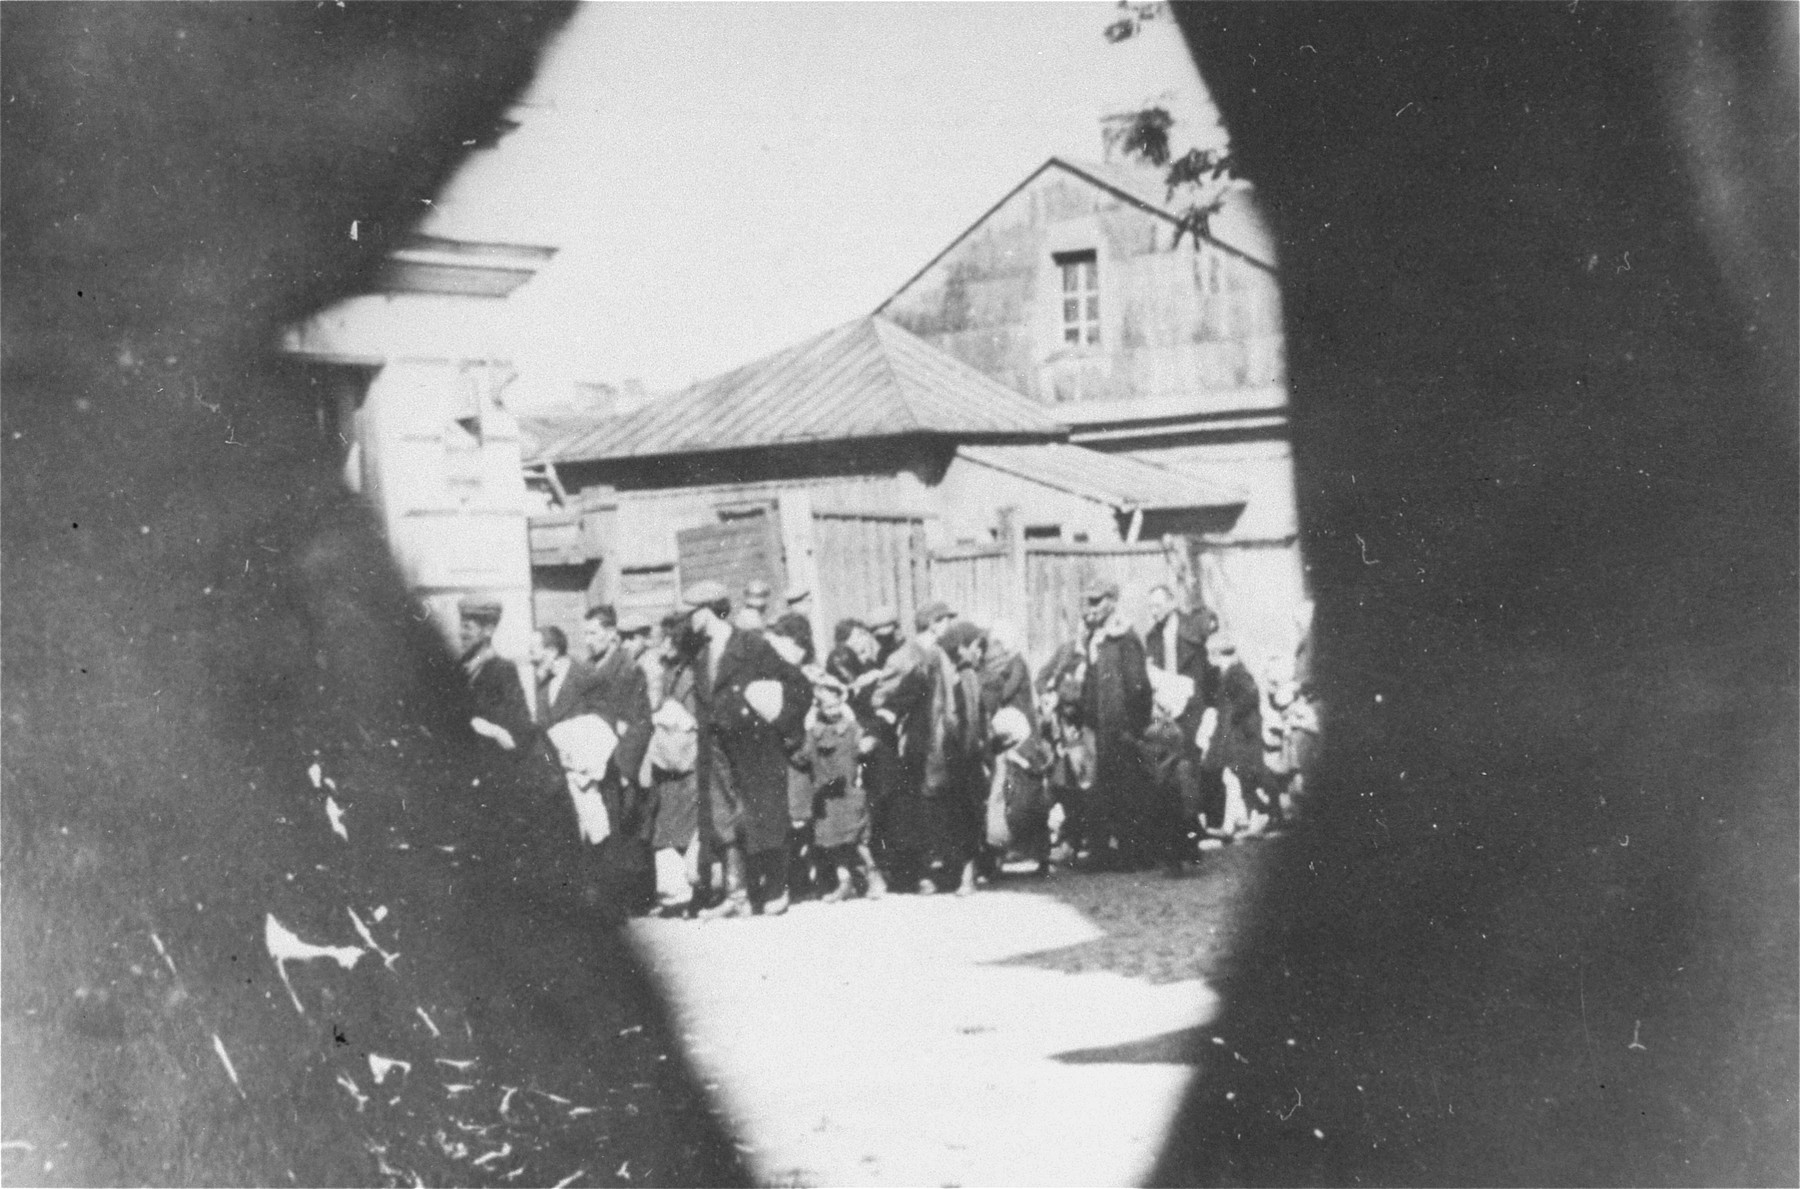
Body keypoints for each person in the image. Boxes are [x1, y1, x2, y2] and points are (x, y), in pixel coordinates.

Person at [683, 579, 812, 919]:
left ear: (708, 611)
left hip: (755, 744)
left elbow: (797, 685)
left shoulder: (751, 646)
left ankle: (776, 888)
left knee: (765, 816)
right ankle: (736, 893)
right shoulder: (700, 652)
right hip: (717, 746)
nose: (688, 620)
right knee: (723, 818)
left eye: (692, 612)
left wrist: (781, 721)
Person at [869, 600, 958, 891]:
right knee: (919, 808)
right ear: (933, 623)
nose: (948, 626)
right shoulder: (903, 657)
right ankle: (924, 873)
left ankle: (943, 867)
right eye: (945, 620)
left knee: (941, 804)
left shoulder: (941, 653)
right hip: (915, 745)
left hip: (942, 739)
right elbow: (880, 700)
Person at [1077, 581, 1161, 871]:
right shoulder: (1094, 638)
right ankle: (1101, 853)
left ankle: (1133, 853)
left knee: (1129, 791)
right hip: (1098, 728)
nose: (1091, 608)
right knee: (1100, 791)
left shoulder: (1125, 638)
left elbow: (1139, 687)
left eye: (1097, 601)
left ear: (1112, 602)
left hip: (1122, 729)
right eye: (1088, 602)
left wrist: (1134, 727)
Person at [581, 604, 656, 913]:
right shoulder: (590, 668)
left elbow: (641, 722)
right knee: (604, 830)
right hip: (595, 760)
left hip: (620, 762)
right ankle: (610, 898)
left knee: (626, 831)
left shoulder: (628, 669)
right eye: (585, 634)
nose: (587, 640)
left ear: (611, 634)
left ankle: (634, 900)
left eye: (594, 633)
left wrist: (627, 768)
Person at [1142, 585, 1214, 861]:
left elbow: (1206, 670)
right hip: (1167, 711)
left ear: (1171, 603)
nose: (1154, 610)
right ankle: (1177, 838)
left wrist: (1207, 708)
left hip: (1191, 709)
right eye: (1151, 606)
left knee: (1189, 770)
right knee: (1169, 774)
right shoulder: (1153, 637)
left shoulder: (1191, 629)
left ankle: (1190, 834)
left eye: (1158, 604)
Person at [800, 673, 886, 902]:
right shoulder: (814, 731)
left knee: (856, 839)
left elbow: (865, 745)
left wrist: (869, 744)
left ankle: (873, 875)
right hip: (827, 795)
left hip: (847, 792)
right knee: (833, 843)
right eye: (827, 706)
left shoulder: (851, 727)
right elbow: (804, 755)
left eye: (836, 704)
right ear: (819, 707)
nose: (832, 710)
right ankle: (844, 882)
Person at [1197, 634, 1272, 839]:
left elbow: (1248, 696)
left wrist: (1233, 714)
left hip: (1242, 737)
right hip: (1239, 735)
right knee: (1235, 779)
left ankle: (1250, 819)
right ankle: (1235, 824)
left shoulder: (1235, 673)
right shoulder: (1233, 672)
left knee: (1240, 779)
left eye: (1211, 654)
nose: (1209, 659)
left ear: (1217, 654)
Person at [934, 619, 989, 895]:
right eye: (978, 646)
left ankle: (967, 874)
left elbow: (971, 720)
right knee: (961, 813)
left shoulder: (962, 674)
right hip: (959, 755)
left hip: (959, 756)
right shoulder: (964, 674)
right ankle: (965, 873)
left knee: (962, 814)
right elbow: (967, 719)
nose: (981, 652)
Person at [986, 706, 1057, 877]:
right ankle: (1042, 860)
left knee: (999, 821)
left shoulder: (1007, 756)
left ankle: (997, 860)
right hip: (1031, 801)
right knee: (1038, 825)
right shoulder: (1028, 749)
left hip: (1016, 803)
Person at [459, 594, 533, 756]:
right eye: (461, 626)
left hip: (491, 760)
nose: (461, 633)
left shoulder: (503, 670)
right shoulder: (459, 669)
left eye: (467, 627)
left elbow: (520, 723)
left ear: (489, 630)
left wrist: (491, 729)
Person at [979, 618, 1036, 733]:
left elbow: (1007, 691)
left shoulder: (1017, 663)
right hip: (1014, 719)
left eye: (997, 642)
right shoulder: (1010, 662)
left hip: (1022, 719)